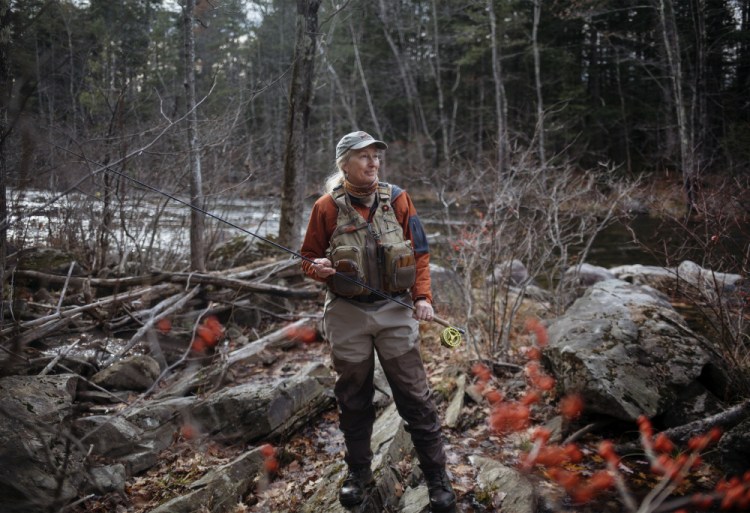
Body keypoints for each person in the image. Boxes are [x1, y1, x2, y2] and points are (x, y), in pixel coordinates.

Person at [300, 131, 456, 512]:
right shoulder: (326, 207)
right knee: (353, 397)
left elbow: (420, 253)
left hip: (396, 310)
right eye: (364, 156)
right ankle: (359, 474)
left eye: (375, 156)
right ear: (344, 164)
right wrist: (318, 269)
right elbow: (307, 258)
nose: (373, 163)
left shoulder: (398, 199)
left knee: (414, 396)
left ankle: (437, 478)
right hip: (346, 312)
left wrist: (423, 298)